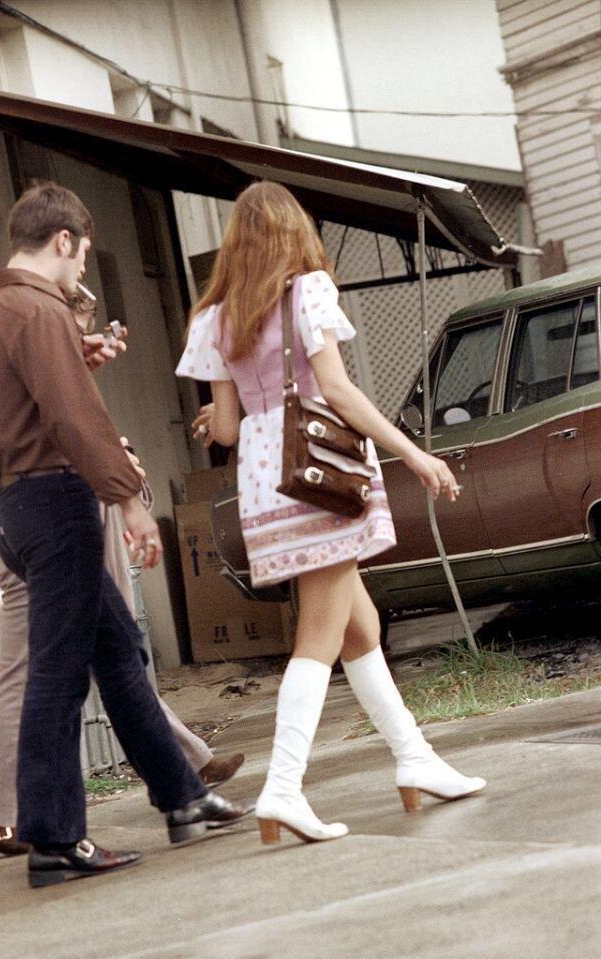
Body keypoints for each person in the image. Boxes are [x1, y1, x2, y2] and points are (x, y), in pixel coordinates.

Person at [177, 181, 486, 847]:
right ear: (293, 232)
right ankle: (283, 788)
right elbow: (338, 391)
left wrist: (221, 411)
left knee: (359, 625)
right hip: (322, 472)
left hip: (267, 479)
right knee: (319, 634)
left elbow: (225, 429)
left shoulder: (216, 317)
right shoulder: (307, 292)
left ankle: (414, 756)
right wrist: (415, 454)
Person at [0, 182, 242, 888]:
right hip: (56, 503)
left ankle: (183, 797)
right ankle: (57, 839)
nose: (82, 268)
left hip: (12, 506)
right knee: (57, 675)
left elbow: (13, 402)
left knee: (117, 651)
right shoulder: (39, 311)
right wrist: (130, 501)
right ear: (63, 241)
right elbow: (75, 418)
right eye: (83, 255)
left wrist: (68, 355)